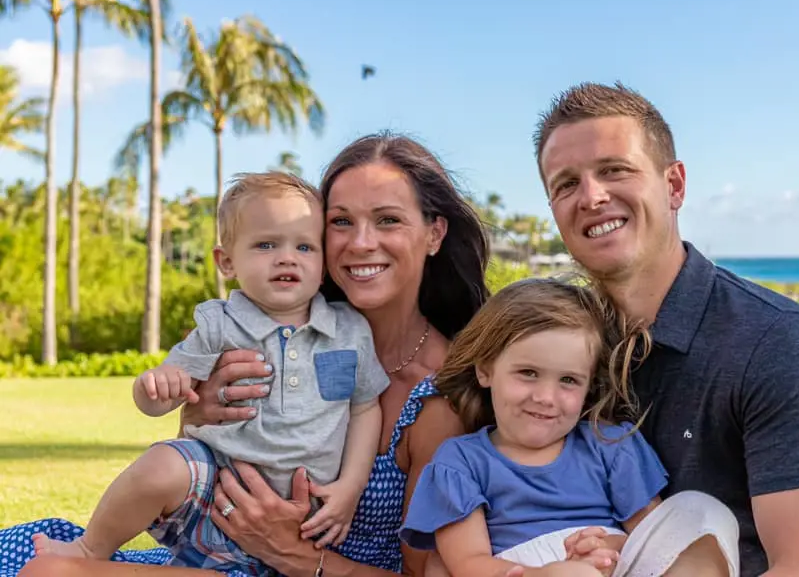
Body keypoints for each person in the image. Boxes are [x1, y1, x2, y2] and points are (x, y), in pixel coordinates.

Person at [6, 133, 490, 577]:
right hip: (217, 547)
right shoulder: (280, 327)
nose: (361, 242)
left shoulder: (440, 398)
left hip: (306, 570)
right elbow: (193, 458)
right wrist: (196, 410)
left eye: (388, 219)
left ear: (434, 234)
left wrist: (299, 556)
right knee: (28, 555)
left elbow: (426, 574)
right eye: (341, 222)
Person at [533, 81, 799, 576]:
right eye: (566, 184)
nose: (592, 196)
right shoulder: (553, 347)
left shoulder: (774, 342)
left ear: (674, 185)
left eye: (614, 170)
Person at [32, 171, 392, 574]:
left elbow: (364, 408)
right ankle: (89, 547)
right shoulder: (219, 325)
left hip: (304, 520)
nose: (286, 257)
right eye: (266, 244)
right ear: (226, 261)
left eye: (305, 246)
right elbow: (165, 396)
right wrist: (155, 389)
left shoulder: (348, 330)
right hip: (214, 496)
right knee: (163, 463)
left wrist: (350, 487)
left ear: (323, 266)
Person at [400, 278, 739, 577]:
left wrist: (602, 549)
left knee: (701, 509)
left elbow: (652, 541)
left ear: (589, 386)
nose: (546, 397)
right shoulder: (461, 461)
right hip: (516, 568)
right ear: (486, 370)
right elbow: (469, 564)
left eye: (568, 380)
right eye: (528, 373)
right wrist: (547, 573)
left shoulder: (610, 444)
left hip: (608, 566)